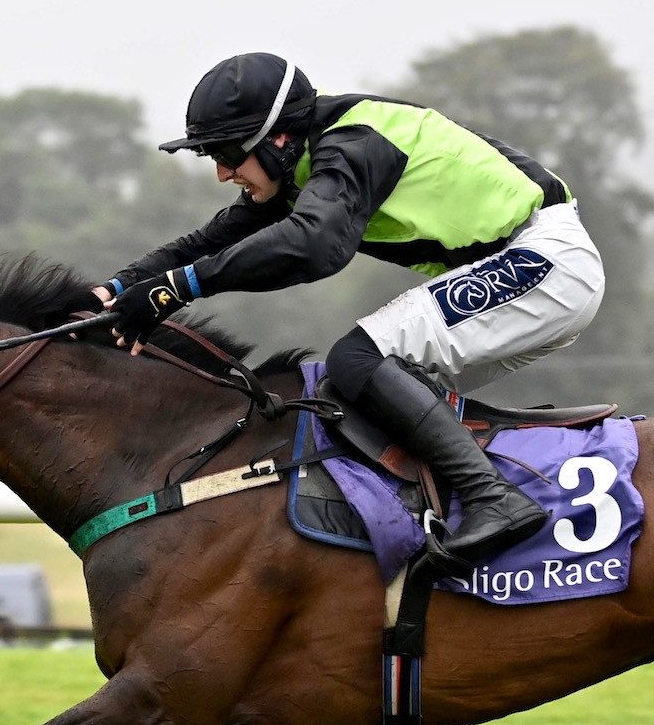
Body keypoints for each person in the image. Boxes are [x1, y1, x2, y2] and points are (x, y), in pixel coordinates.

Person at [97, 52, 604, 570]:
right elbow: (212, 239)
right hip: (533, 264)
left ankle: (493, 500)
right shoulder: (307, 159)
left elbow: (314, 244)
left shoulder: (353, 143)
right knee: (357, 391)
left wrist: (175, 290)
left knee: (357, 360)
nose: (224, 173)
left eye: (227, 154)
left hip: (546, 260)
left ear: (277, 139)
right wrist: (116, 288)